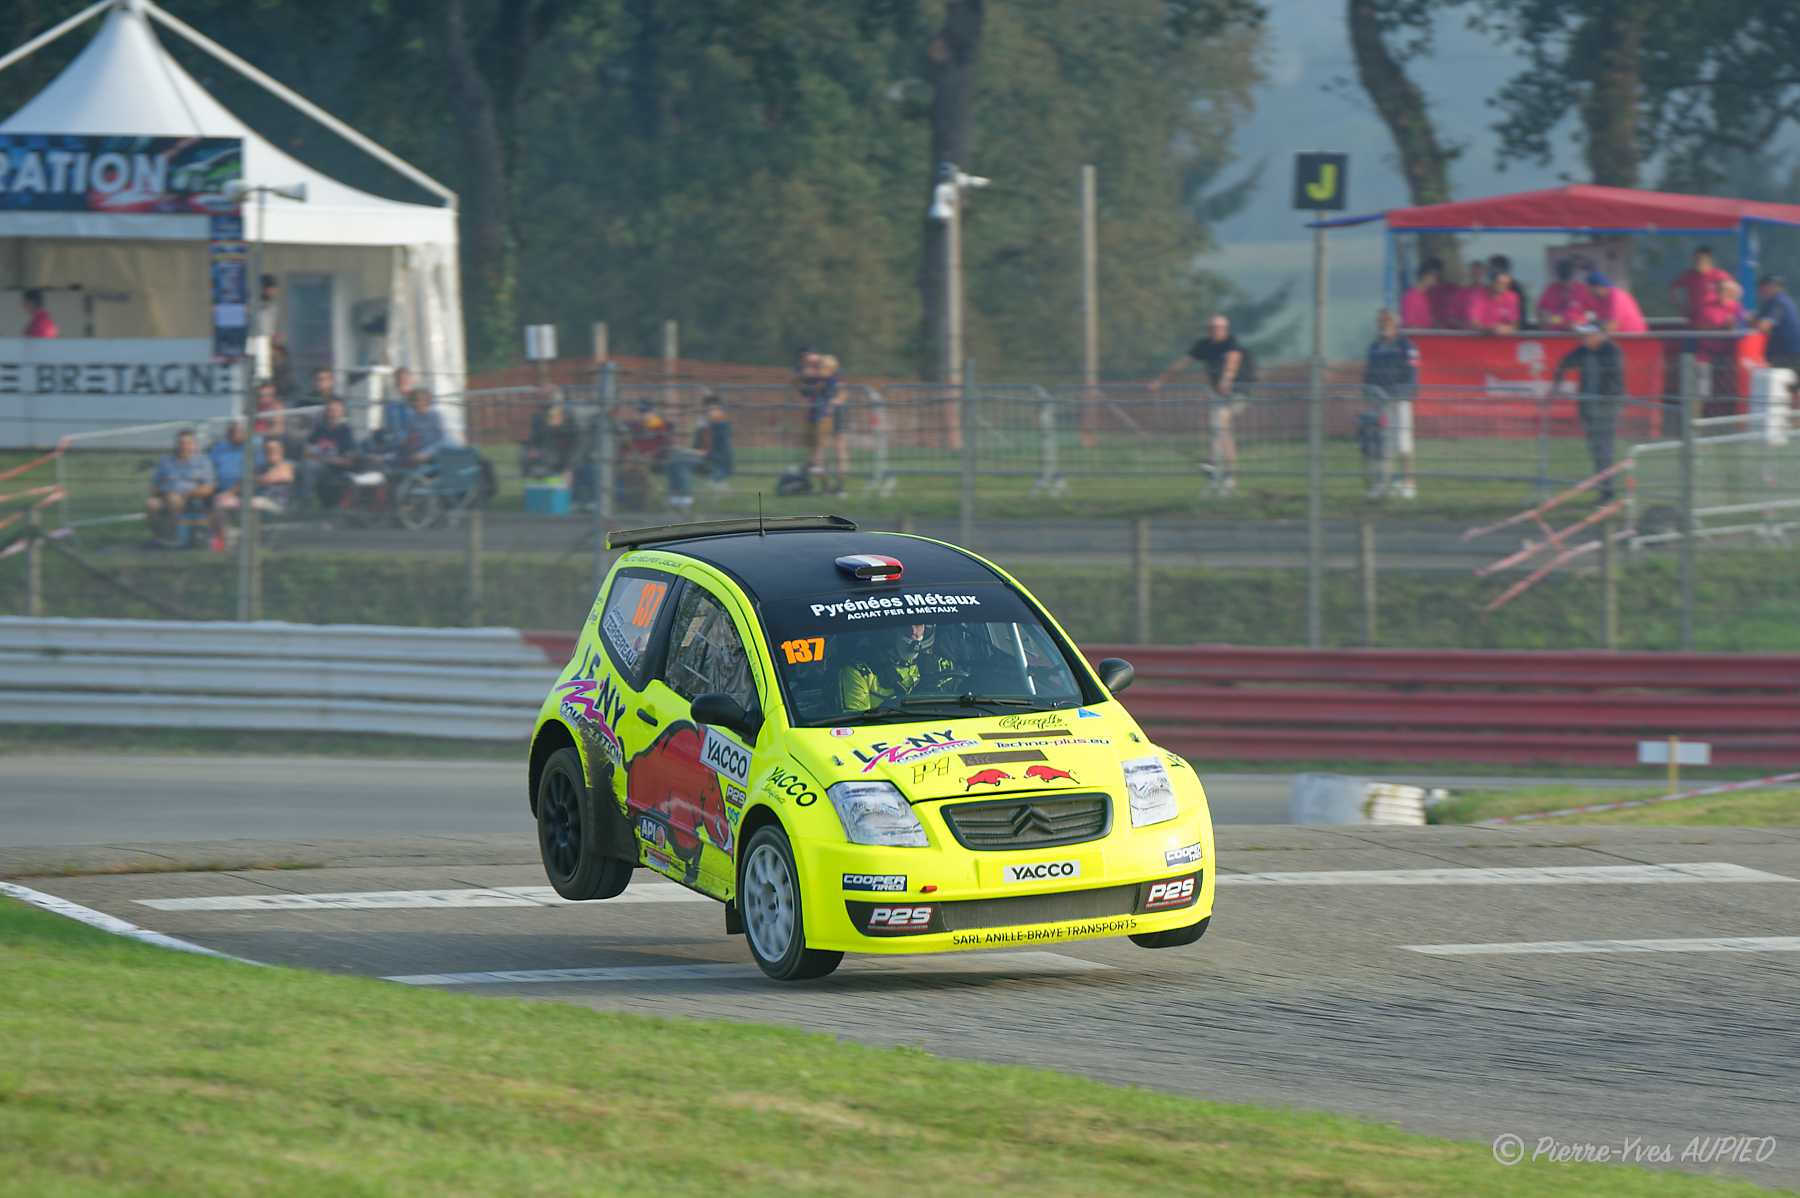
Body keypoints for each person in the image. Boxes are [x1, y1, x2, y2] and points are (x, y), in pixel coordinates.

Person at [1149, 313, 1256, 494]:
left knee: (1219, 423)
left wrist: (1226, 379)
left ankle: (1213, 463)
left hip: (1238, 391)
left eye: (1219, 328)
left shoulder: (1231, 342)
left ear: (1225, 329)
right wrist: (1161, 381)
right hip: (1218, 393)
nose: (1215, 331)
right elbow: (1182, 363)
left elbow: (1233, 360)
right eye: (1212, 328)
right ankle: (1227, 475)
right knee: (1221, 431)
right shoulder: (1204, 345)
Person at [1551, 323, 1626, 500]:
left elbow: (1614, 382)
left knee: (1604, 449)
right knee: (1596, 449)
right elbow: (1564, 362)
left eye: (1588, 335)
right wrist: (1557, 385)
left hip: (1606, 407)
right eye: (1583, 336)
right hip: (1588, 407)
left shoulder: (1611, 351)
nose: (1583, 339)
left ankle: (1607, 491)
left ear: (1600, 335)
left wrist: (1605, 403)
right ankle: (1604, 489)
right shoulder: (1584, 351)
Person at [837, 624, 961, 713]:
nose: (913, 631)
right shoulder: (859, 672)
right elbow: (857, 727)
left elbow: (965, 698)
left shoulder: (941, 666)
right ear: (890, 630)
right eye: (905, 625)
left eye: (918, 624)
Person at [1362, 309, 1419, 499]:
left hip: (1400, 400)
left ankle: (1409, 483)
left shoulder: (1406, 346)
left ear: (1396, 324)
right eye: (1381, 322)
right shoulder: (1374, 347)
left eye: (1387, 322)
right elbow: (1368, 374)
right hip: (1381, 401)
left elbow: (1412, 375)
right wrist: (1371, 392)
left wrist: (1401, 393)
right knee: (1382, 445)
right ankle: (1382, 484)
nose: (1383, 326)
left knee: (1403, 443)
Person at [144, 429, 216, 542]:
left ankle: (174, 538)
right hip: (165, 495)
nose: (184, 446)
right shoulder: (165, 461)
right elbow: (154, 484)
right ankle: (158, 537)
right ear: (176, 444)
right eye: (181, 443)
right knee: (151, 504)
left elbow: (209, 488)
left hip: (191, 498)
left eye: (188, 443)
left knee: (174, 500)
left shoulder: (203, 462)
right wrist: (160, 493)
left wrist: (185, 494)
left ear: (194, 445)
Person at [302, 397, 358, 510]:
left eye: (336, 410)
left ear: (342, 412)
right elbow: (306, 451)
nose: (332, 413)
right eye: (330, 410)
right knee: (298, 467)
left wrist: (326, 460)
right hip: (318, 464)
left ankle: (308, 500)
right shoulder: (319, 429)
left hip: (335, 470)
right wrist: (317, 457)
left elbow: (349, 460)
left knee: (310, 467)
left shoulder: (345, 432)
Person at [1671, 247, 1741, 328]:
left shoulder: (1720, 275)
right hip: (1696, 320)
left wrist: (1728, 310)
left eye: (1702, 259)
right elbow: (1674, 289)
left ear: (1710, 260)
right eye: (1697, 259)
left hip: (1718, 320)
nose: (1699, 262)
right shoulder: (1689, 276)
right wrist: (1682, 308)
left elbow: (1736, 291)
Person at [1754, 275, 1800, 375]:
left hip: (1788, 353)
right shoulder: (1772, 302)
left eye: (1764, 287)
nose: (1760, 292)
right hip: (1782, 352)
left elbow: (1765, 325)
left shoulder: (1779, 302)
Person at [206, 420, 262, 497]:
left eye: (239, 431)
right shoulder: (219, 448)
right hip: (218, 490)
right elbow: (209, 468)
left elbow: (255, 475)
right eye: (232, 431)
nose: (235, 434)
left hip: (245, 493)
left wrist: (230, 492)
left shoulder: (254, 448)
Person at [1537, 259, 1593, 330]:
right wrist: (1554, 320)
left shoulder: (1583, 290)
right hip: (1555, 334)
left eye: (1569, 279)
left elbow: (1592, 313)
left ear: (1574, 276)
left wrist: (1580, 321)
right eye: (1563, 280)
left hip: (1579, 333)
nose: (1566, 284)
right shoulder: (1551, 290)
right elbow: (1542, 313)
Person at [693, 394, 734, 487]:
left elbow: (721, 449)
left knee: (715, 475)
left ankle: (717, 480)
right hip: (705, 458)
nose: (710, 412)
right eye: (707, 410)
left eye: (714, 409)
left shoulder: (722, 425)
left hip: (719, 461)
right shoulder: (702, 425)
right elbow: (696, 445)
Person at [1466, 265, 1521, 334]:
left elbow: (1515, 324)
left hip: (1505, 341)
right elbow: (1473, 323)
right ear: (1491, 282)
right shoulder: (1478, 296)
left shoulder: (1512, 297)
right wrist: (1491, 329)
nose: (1503, 287)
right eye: (1500, 283)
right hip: (1481, 340)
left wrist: (1508, 329)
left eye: (1506, 284)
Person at [1488, 255, 1531, 329]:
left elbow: (1519, 320)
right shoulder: (1486, 291)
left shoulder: (1516, 291)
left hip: (1513, 336)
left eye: (1492, 269)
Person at [1400, 259, 1440, 328]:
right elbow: (1410, 325)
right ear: (1425, 276)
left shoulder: (1427, 297)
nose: (1436, 281)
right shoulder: (1411, 297)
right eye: (1434, 276)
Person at [1451, 259, 1488, 329]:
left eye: (1479, 272)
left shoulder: (1489, 293)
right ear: (1469, 273)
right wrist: (1467, 326)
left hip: (1487, 337)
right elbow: (1452, 319)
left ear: (1484, 273)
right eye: (1474, 272)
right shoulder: (1461, 293)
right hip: (1465, 336)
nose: (1476, 275)